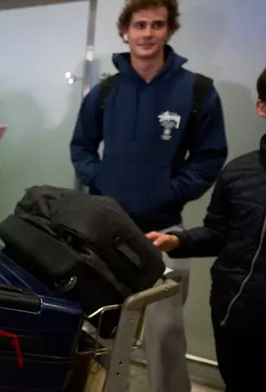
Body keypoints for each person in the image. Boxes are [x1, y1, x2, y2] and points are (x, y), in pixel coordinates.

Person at [69, 1, 227, 391]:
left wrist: (169, 191)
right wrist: (100, 180)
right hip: (105, 234)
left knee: (165, 335)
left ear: (169, 30)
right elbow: (82, 147)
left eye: (157, 24)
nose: (147, 33)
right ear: (126, 31)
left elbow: (210, 157)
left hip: (165, 232)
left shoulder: (197, 90)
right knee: (101, 330)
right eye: (139, 24)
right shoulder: (105, 90)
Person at [146, 68, 266, 392]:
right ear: (262, 107)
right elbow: (220, 233)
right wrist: (175, 241)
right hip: (237, 315)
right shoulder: (239, 173)